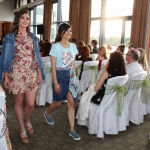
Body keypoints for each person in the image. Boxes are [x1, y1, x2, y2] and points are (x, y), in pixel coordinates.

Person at [0, 10, 45, 143]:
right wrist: (6, 76)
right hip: (17, 74)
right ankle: (21, 128)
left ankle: (27, 120)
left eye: (27, 18)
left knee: (31, 104)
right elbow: (6, 58)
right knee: (19, 102)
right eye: (23, 18)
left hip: (31, 73)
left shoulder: (32, 37)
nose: (25, 20)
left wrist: (39, 72)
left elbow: (35, 56)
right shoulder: (10, 38)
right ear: (17, 20)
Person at [43, 23, 81, 141]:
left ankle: (72, 130)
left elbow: (73, 63)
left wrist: (74, 78)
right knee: (58, 103)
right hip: (59, 75)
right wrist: (55, 82)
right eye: (67, 31)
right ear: (61, 32)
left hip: (70, 75)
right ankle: (47, 113)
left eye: (70, 31)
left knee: (71, 104)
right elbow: (53, 67)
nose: (69, 33)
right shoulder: (55, 47)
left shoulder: (73, 46)